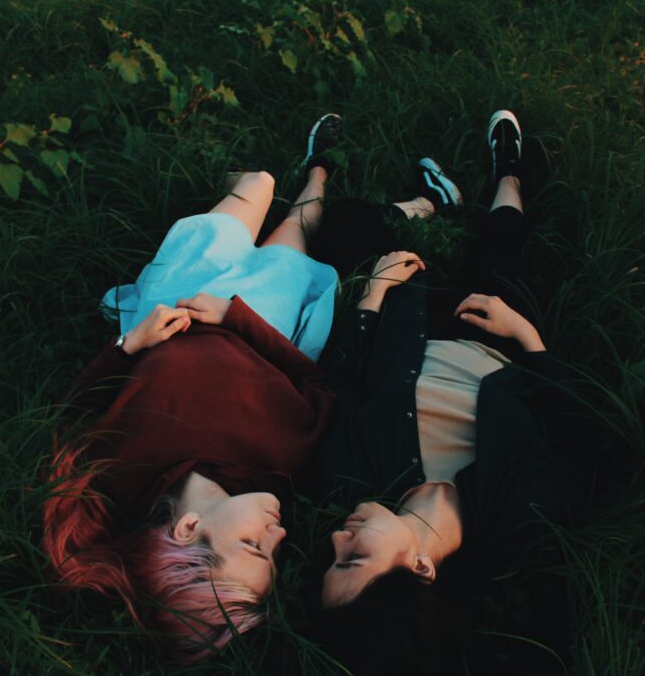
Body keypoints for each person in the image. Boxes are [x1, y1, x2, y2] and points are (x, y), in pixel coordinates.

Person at [40, 114, 345, 660]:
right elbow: (312, 380)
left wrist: (129, 347)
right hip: (261, 315)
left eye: (253, 546)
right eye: (274, 556)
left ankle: (250, 186)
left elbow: (75, 410)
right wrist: (238, 318)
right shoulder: (281, 464)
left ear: (186, 529)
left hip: (179, 295)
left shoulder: (121, 474)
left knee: (257, 184)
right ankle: (320, 170)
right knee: (297, 226)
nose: (278, 537)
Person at [312, 110, 602, 674]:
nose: (337, 537)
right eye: (354, 558)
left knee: (345, 228)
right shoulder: (518, 517)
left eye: (332, 557)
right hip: (496, 332)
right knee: (499, 250)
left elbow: (339, 382)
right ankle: (508, 173)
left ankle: (432, 202)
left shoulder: (349, 475)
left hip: (409, 318)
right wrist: (526, 335)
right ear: (420, 567)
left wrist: (372, 297)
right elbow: (584, 439)